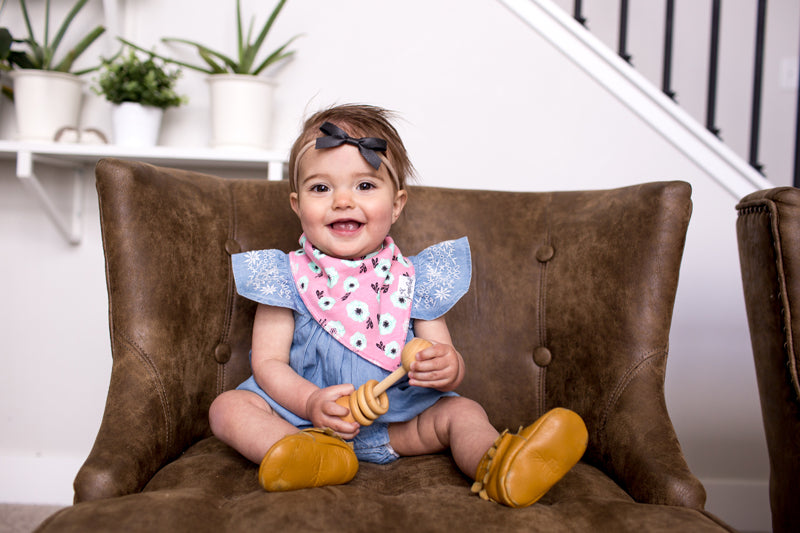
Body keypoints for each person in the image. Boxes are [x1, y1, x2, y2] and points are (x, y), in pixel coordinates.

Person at [209, 104, 588, 507]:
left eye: (365, 185)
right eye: (320, 188)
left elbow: (444, 357)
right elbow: (268, 364)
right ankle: (305, 455)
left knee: (463, 413)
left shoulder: (412, 278)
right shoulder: (284, 277)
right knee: (228, 407)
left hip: (398, 424)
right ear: (296, 204)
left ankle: (499, 466)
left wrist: (446, 366)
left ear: (397, 204)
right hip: (303, 422)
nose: (342, 200)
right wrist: (310, 404)